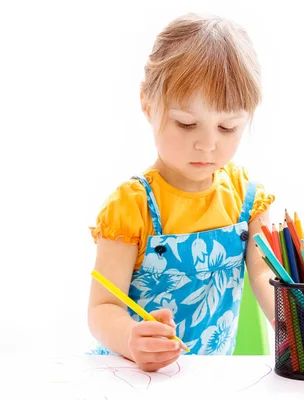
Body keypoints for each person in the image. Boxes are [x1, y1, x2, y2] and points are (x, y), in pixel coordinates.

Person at [87, 13, 277, 372]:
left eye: (227, 126)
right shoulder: (132, 207)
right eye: (186, 123)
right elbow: (102, 308)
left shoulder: (248, 200)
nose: (207, 144)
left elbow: (265, 276)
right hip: (131, 376)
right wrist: (131, 337)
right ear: (147, 103)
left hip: (208, 381)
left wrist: (300, 327)